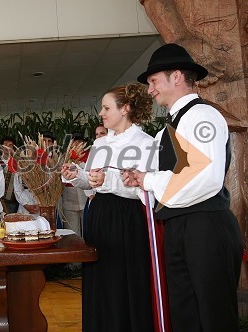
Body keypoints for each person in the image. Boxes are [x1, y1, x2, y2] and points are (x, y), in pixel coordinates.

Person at [123, 43, 243, 332]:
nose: (150, 90)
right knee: (186, 314)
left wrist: (149, 180)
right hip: (178, 227)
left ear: (176, 77)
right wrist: (137, 179)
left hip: (206, 227)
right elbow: (158, 177)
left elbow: (205, 178)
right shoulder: (167, 130)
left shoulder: (204, 117)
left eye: (153, 81)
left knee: (214, 318)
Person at [61, 82, 156, 332]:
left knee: (123, 279)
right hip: (100, 215)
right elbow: (92, 183)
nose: (101, 113)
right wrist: (77, 175)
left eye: (106, 107)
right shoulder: (100, 144)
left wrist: (109, 180)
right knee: (101, 278)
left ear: (125, 109)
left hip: (127, 218)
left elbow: (145, 189)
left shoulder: (146, 143)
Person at [60, 133, 88, 237]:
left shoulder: (90, 156)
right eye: (74, 141)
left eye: (79, 141)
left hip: (85, 195)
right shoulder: (64, 157)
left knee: (87, 228)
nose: (77, 144)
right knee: (72, 230)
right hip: (69, 196)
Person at [0, 136, 18, 214]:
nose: (7, 148)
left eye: (10, 145)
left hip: (14, 200)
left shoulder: (18, 162)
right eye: (5, 145)